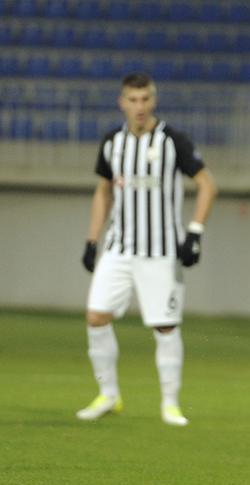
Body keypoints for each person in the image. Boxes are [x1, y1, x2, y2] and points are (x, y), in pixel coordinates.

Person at [77, 73, 217, 427]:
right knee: (96, 317)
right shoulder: (113, 142)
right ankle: (109, 395)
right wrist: (92, 239)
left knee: (165, 326)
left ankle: (170, 404)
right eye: (132, 99)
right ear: (122, 102)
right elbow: (104, 191)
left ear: (153, 101)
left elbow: (206, 184)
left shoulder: (173, 141)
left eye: (144, 99)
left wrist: (195, 232)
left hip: (161, 251)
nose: (139, 106)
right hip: (119, 248)